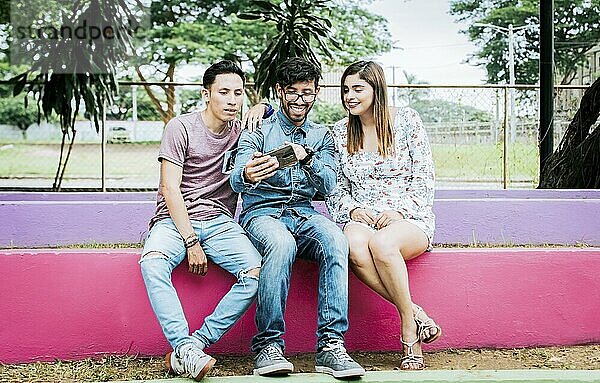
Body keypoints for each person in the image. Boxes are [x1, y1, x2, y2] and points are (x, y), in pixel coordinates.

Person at [230, 57, 365, 379]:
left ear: (317, 92)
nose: (300, 100)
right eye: (292, 92)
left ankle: (331, 347)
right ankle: (268, 345)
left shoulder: (321, 136)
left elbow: (330, 184)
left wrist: (308, 159)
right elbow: (236, 178)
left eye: (307, 93)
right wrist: (248, 173)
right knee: (281, 243)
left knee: (335, 240)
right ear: (279, 91)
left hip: (304, 213)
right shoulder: (257, 130)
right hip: (261, 213)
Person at [139, 60, 263, 381]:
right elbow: (169, 187)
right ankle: (183, 344)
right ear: (206, 94)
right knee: (152, 262)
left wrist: (264, 106)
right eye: (224, 92)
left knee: (255, 273)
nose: (232, 100)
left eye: (239, 93)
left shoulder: (242, 132)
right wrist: (191, 240)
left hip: (220, 221)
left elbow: (281, 114)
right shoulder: (180, 127)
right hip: (174, 219)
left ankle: (193, 346)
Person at [326, 61, 440, 370]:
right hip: (363, 217)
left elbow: (424, 175)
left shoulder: (406, 120)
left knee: (383, 245)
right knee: (353, 245)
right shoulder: (339, 132)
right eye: (346, 90)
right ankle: (415, 314)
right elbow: (335, 186)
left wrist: (400, 211)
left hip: (408, 217)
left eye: (358, 89)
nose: (350, 96)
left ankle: (407, 331)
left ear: (377, 90)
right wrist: (353, 209)